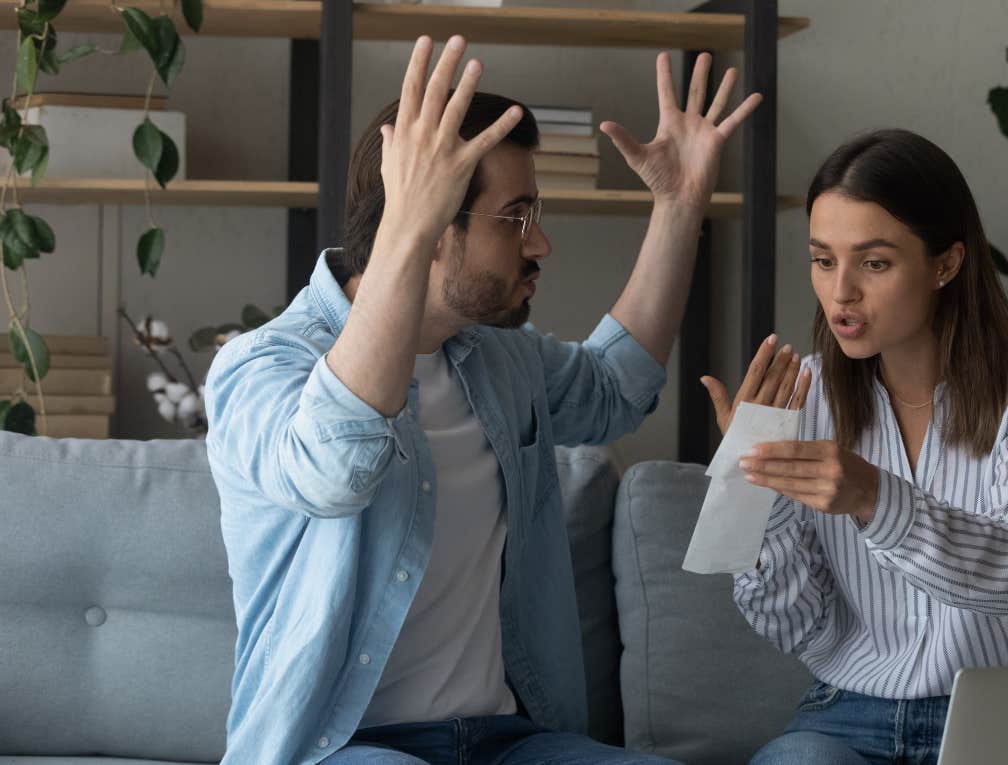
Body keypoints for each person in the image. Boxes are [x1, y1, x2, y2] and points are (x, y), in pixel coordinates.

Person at [204, 34, 760, 765]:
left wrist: (680, 205)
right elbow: (333, 471)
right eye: (516, 217)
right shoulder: (262, 366)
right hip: (340, 748)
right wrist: (407, 223)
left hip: (507, 741)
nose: (540, 245)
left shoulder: (497, 358)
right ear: (432, 224)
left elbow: (615, 388)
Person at [700, 129, 1008, 765]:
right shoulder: (804, 397)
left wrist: (872, 496)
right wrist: (751, 490)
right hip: (846, 713)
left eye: (874, 262)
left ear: (946, 263)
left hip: (1004, 712)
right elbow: (796, 625)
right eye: (824, 260)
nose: (840, 293)